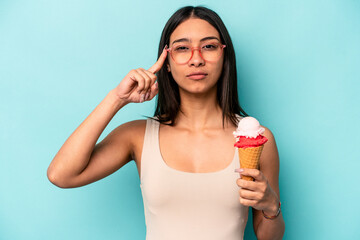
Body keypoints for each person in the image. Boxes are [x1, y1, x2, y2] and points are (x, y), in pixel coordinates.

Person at [47, 6, 285, 240]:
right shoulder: (137, 136)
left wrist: (272, 206)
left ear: (225, 57)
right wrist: (116, 99)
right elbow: (61, 175)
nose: (196, 59)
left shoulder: (257, 139)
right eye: (182, 48)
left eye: (209, 46)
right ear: (167, 62)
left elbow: (269, 237)